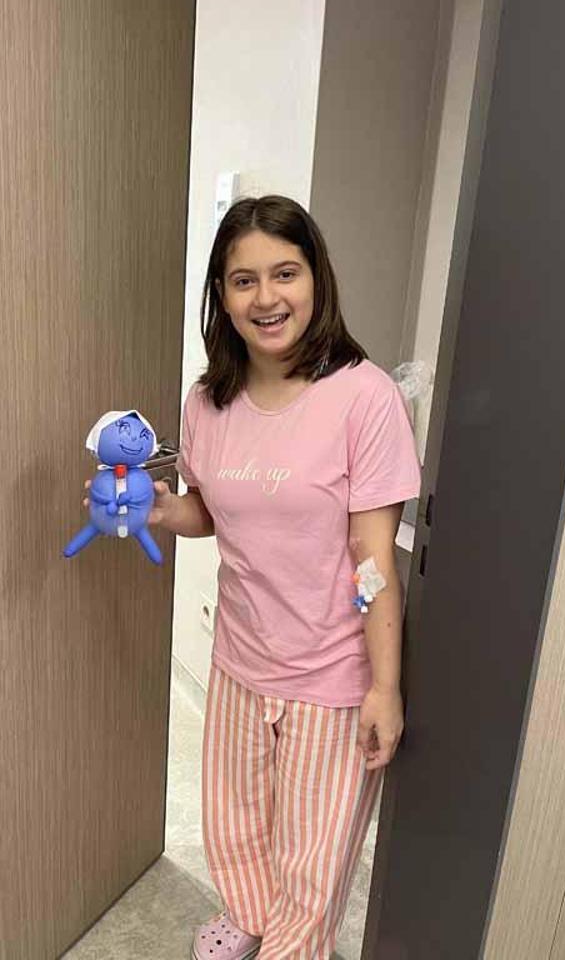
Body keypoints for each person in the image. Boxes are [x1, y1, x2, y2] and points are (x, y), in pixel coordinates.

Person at [90, 195, 421, 959]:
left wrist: (383, 684)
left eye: (285, 273)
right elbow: (212, 510)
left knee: (314, 852)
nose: (267, 298)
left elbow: (371, 558)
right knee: (235, 822)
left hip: (330, 674)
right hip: (240, 658)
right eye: (244, 280)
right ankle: (249, 916)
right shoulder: (209, 401)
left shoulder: (364, 398)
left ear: (316, 278)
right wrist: (163, 511)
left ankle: (292, 946)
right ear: (222, 294)